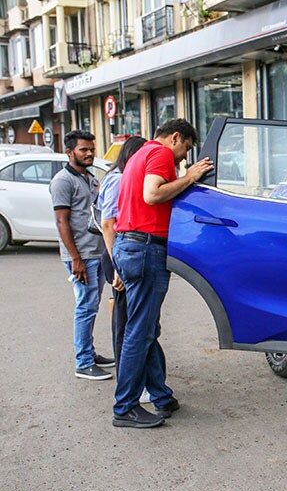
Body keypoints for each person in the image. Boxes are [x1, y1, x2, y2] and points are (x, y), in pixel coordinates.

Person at [111, 119, 213, 428]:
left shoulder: (139, 154)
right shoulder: (161, 154)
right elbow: (152, 195)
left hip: (129, 245)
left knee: (145, 327)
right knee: (140, 331)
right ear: (175, 138)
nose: (184, 158)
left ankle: (161, 395)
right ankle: (125, 407)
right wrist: (191, 177)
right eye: (185, 149)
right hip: (144, 249)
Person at [50, 130, 116, 380]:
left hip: (96, 251)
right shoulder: (62, 181)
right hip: (81, 256)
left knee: (91, 305)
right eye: (83, 150)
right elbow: (62, 221)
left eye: (91, 149)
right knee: (85, 307)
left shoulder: (88, 177)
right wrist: (75, 258)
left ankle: (89, 352)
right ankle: (83, 362)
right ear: (70, 152)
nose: (90, 153)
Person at [97, 136, 147, 368]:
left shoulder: (119, 177)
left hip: (120, 253)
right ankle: (126, 375)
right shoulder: (118, 180)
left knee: (126, 317)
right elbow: (108, 225)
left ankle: (128, 373)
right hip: (118, 254)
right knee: (124, 321)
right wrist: (118, 266)